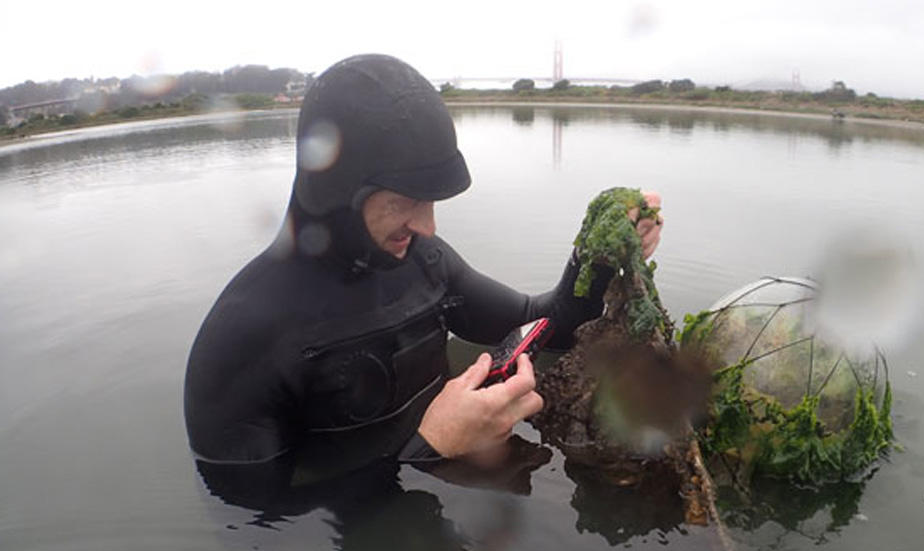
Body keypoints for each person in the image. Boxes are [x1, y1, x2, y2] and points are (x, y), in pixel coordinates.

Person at [183, 54, 663, 488]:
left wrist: (597, 253)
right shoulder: (241, 337)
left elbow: (550, 325)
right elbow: (256, 526)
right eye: (406, 201)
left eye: (431, 200)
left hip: (457, 495)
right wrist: (430, 448)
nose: (428, 226)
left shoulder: (426, 264)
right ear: (338, 191)